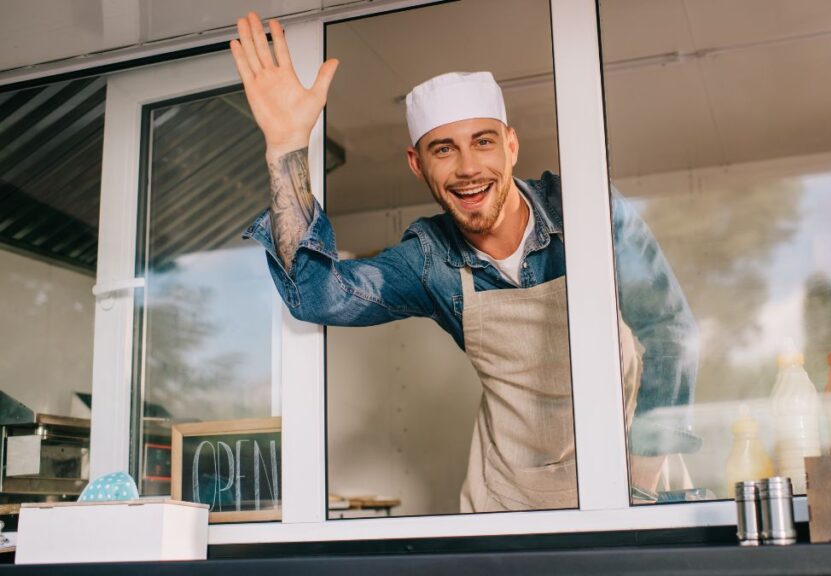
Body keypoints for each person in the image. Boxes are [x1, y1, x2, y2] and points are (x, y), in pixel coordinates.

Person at [230, 12, 699, 512]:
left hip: (633, 480)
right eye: (444, 149)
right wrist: (286, 148)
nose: (469, 167)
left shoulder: (585, 210)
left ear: (511, 145)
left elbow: (668, 328)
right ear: (417, 164)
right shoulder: (429, 261)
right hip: (508, 500)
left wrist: (641, 480)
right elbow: (317, 296)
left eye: (483, 141)